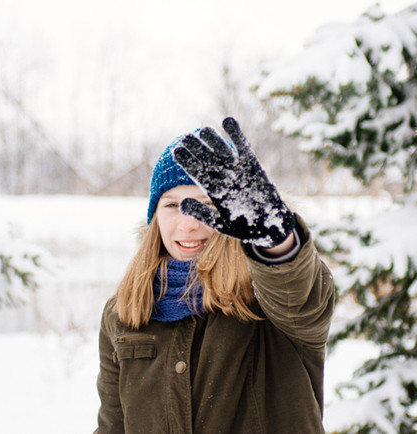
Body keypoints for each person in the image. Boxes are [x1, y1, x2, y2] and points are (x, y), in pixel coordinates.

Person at [95, 117, 335, 433]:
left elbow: (299, 295)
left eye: (205, 205)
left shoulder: (267, 295)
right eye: (172, 205)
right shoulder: (123, 311)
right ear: (154, 216)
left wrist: (275, 240)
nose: (189, 223)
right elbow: (113, 425)